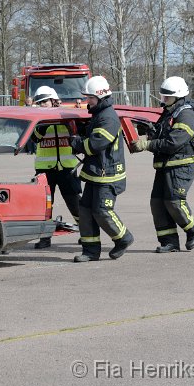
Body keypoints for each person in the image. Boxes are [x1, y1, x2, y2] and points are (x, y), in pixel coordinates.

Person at [132, 76, 194, 253]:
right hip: (164, 165)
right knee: (157, 203)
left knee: (174, 201)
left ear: (178, 96)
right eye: (163, 97)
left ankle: (192, 229)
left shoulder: (186, 115)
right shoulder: (168, 113)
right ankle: (169, 242)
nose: (163, 101)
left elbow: (173, 142)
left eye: (167, 98)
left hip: (181, 165)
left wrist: (147, 145)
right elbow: (159, 133)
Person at [69, 75, 133, 262]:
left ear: (100, 97)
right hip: (96, 172)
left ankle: (123, 237)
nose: (86, 101)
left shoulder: (108, 118)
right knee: (86, 210)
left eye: (90, 98)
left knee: (102, 211)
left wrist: (76, 143)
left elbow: (96, 144)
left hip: (108, 174)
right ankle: (90, 251)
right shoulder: (98, 114)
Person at [31, 86, 81, 249]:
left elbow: (78, 132)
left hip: (67, 167)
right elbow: (34, 139)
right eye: (39, 102)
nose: (42, 105)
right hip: (45, 168)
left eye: (44, 101)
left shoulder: (66, 115)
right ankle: (45, 238)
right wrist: (44, 121)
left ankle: (88, 234)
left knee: (74, 203)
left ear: (53, 100)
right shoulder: (36, 118)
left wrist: (65, 120)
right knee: (45, 205)